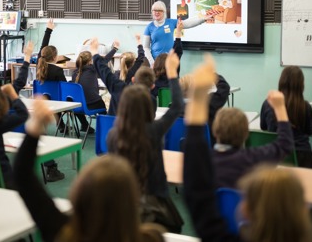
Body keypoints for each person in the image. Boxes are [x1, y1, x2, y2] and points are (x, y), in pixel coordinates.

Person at [182, 55, 312, 242]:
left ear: (245, 210)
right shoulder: (254, 159)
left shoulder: (206, 163)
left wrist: (197, 98)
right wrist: (280, 108)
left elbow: (195, 188)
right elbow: (285, 144)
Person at [13, 98, 166, 242]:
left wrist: (35, 128)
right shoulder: (152, 237)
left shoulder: (63, 233)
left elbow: (22, 175)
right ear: (132, 199)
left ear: (80, 193)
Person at [107, 50, 184, 233]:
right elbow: (178, 107)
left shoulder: (113, 135)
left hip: (124, 199)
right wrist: (173, 74)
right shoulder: (154, 130)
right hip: (156, 198)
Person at [212, 92, 294, 189]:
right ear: (246, 134)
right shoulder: (251, 158)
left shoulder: (201, 160)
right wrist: (280, 107)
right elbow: (285, 145)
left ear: (214, 131)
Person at [260, 66, 312, 168]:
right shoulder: (305, 106)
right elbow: (309, 131)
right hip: (302, 158)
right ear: (301, 85)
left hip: (276, 157)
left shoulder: (268, 103)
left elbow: (263, 127)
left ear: (281, 82)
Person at [34, 19, 66, 182]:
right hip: (57, 103)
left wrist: (48, 30)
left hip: (42, 104)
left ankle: (62, 125)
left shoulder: (38, 69)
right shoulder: (57, 71)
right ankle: (63, 125)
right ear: (55, 57)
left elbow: (42, 51)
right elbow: (65, 89)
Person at [91, 37, 157, 115]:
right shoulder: (150, 100)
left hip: (112, 125)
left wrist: (94, 53)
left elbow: (104, 69)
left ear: (133, 79)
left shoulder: (116, 81)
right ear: (152, 86)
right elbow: (141, 56)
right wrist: (139, 43)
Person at [143, 0, 203, 65]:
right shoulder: (149, 27)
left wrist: (203, 19)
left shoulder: (171, 22)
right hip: (156, 62)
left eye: (159, 10)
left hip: (170, 61)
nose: (157, 12)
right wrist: (152, 63)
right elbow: (146, 47)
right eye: (154, 10)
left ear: (164, 12)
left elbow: (187, 23)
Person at [70, 51, 107, 133]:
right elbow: (105, 61)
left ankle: (85, 125)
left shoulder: (74, 73)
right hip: (91, 105)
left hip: (77, 106)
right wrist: (115, 49)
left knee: (79, 101)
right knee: (102, 106)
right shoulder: (92, 69)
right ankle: (105, 128)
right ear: (90, 61)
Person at [151, 22, 184, 98]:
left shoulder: (153, 84)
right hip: (175, 108)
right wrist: (178, 32)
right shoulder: (174, 81)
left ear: (155, 65)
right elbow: (178, 52)